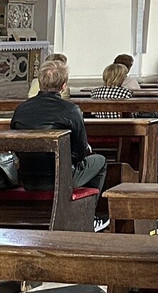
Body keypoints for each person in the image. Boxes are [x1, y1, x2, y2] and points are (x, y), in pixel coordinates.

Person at [11, 61, 107, 211]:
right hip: (59, 178)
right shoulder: (71, 110)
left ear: (40, 83)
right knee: (100, 161)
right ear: (64, 85)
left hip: (27, 177)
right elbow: (80, 152)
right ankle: (88, 213)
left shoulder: (21, 109)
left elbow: (15, 147)